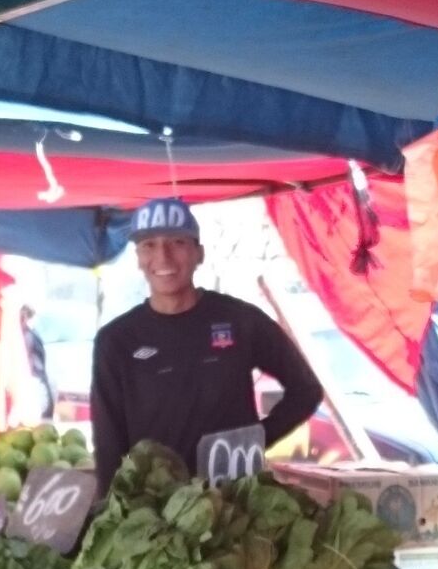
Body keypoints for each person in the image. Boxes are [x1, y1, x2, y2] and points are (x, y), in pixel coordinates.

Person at [90, 197, 324, 485]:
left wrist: (253, 441)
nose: (163, 257)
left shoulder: (240, 321)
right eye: (149, 245)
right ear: (138, 257)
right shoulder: (116, 341)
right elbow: (108, 442)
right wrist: (109, 514)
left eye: (177, 242)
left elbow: (307, 390)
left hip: (235, 505)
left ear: (199, 254)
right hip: (153, 512)